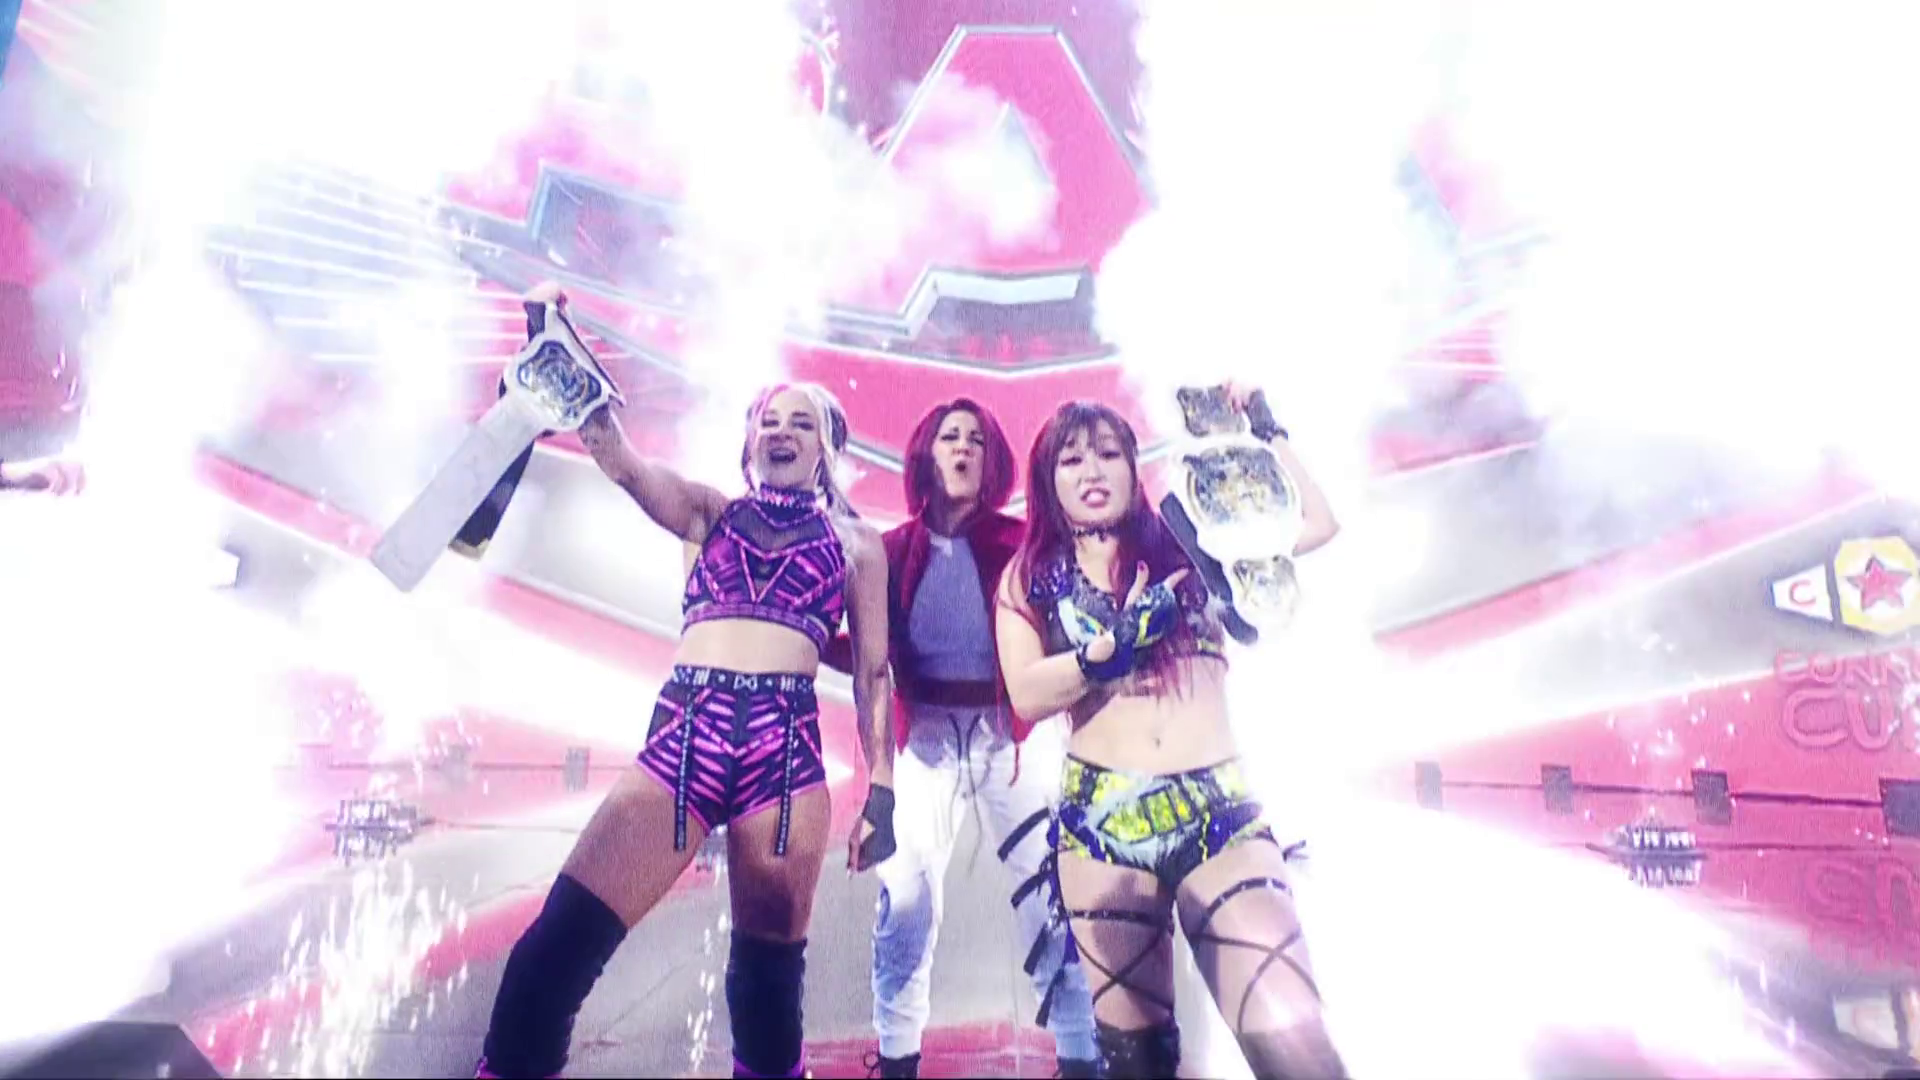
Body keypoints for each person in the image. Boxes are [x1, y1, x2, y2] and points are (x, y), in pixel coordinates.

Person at [475, 284, 897, 1080]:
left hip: (783, 760)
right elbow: (621, 462)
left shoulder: (857, 545)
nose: (781, 430)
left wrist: (883, 791)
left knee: (765, 995)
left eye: (801, 422)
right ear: (749, 444)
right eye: (768, 421)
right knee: (549, 960)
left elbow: (875, 674)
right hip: (683, 741)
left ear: (827, 449)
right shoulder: (710, 512)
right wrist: (551, 344)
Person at [993, 396, 1346, 1079]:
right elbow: (1027, 693)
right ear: (1047, 479)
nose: (1092, 471)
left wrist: (1265, 426)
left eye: (1108, 454)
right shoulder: (1030, 576)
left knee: (1297, 1046)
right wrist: (1106, 652)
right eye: (1071, 459)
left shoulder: (1193, 539)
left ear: (1133, 466)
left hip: (1219, 811)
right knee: (1140, 1065)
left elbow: (1317, 524)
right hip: (1103, 827)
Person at [822, 399, 1099, 1078]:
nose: (964, 447)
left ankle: (1081, 1054)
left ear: (992, 460)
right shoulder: (891, 550)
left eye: (976, 438)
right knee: (905, 903)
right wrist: (794, 637)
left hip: (1013, 739)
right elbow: (864, 650)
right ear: (927, 452)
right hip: (926, 740)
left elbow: (1067, 630)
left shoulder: (1022, 545)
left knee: (1050, 898)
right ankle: (896, 1057)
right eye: (951, 436)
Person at [0, 457, 85, 495]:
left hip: (45, 476)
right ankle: (4, 480)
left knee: (21, 482)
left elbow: (62, 486)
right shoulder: (75, 469)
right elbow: (63, 483)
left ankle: (4, 480)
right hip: (45, 478)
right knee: (21, 483)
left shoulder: (74, 469)